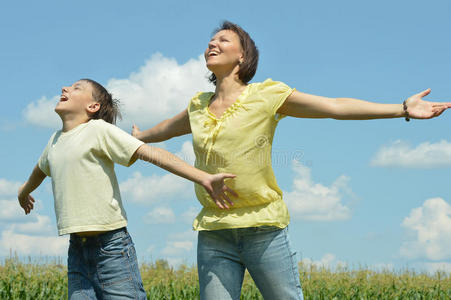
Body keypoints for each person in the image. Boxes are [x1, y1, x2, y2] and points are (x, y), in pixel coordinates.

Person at [131, 21, 451, 300]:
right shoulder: (198, 106)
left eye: (223, 40)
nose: (213, 43)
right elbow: (166, 130)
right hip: (215, 230)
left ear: (243, 56)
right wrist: (140, 137)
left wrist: (402, 109)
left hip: (263, 228)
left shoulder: (267, 95)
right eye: (211, 41)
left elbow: (334, 106)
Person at [17, 79, 237, 300]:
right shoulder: (54, 141)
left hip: (111, 249)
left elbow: (149, 153)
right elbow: (40, 170)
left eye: (76, 88)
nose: (65, 88)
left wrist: (203, 178)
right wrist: (24, 192)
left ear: (93, 107)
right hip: (77, 251)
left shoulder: (98, 130)